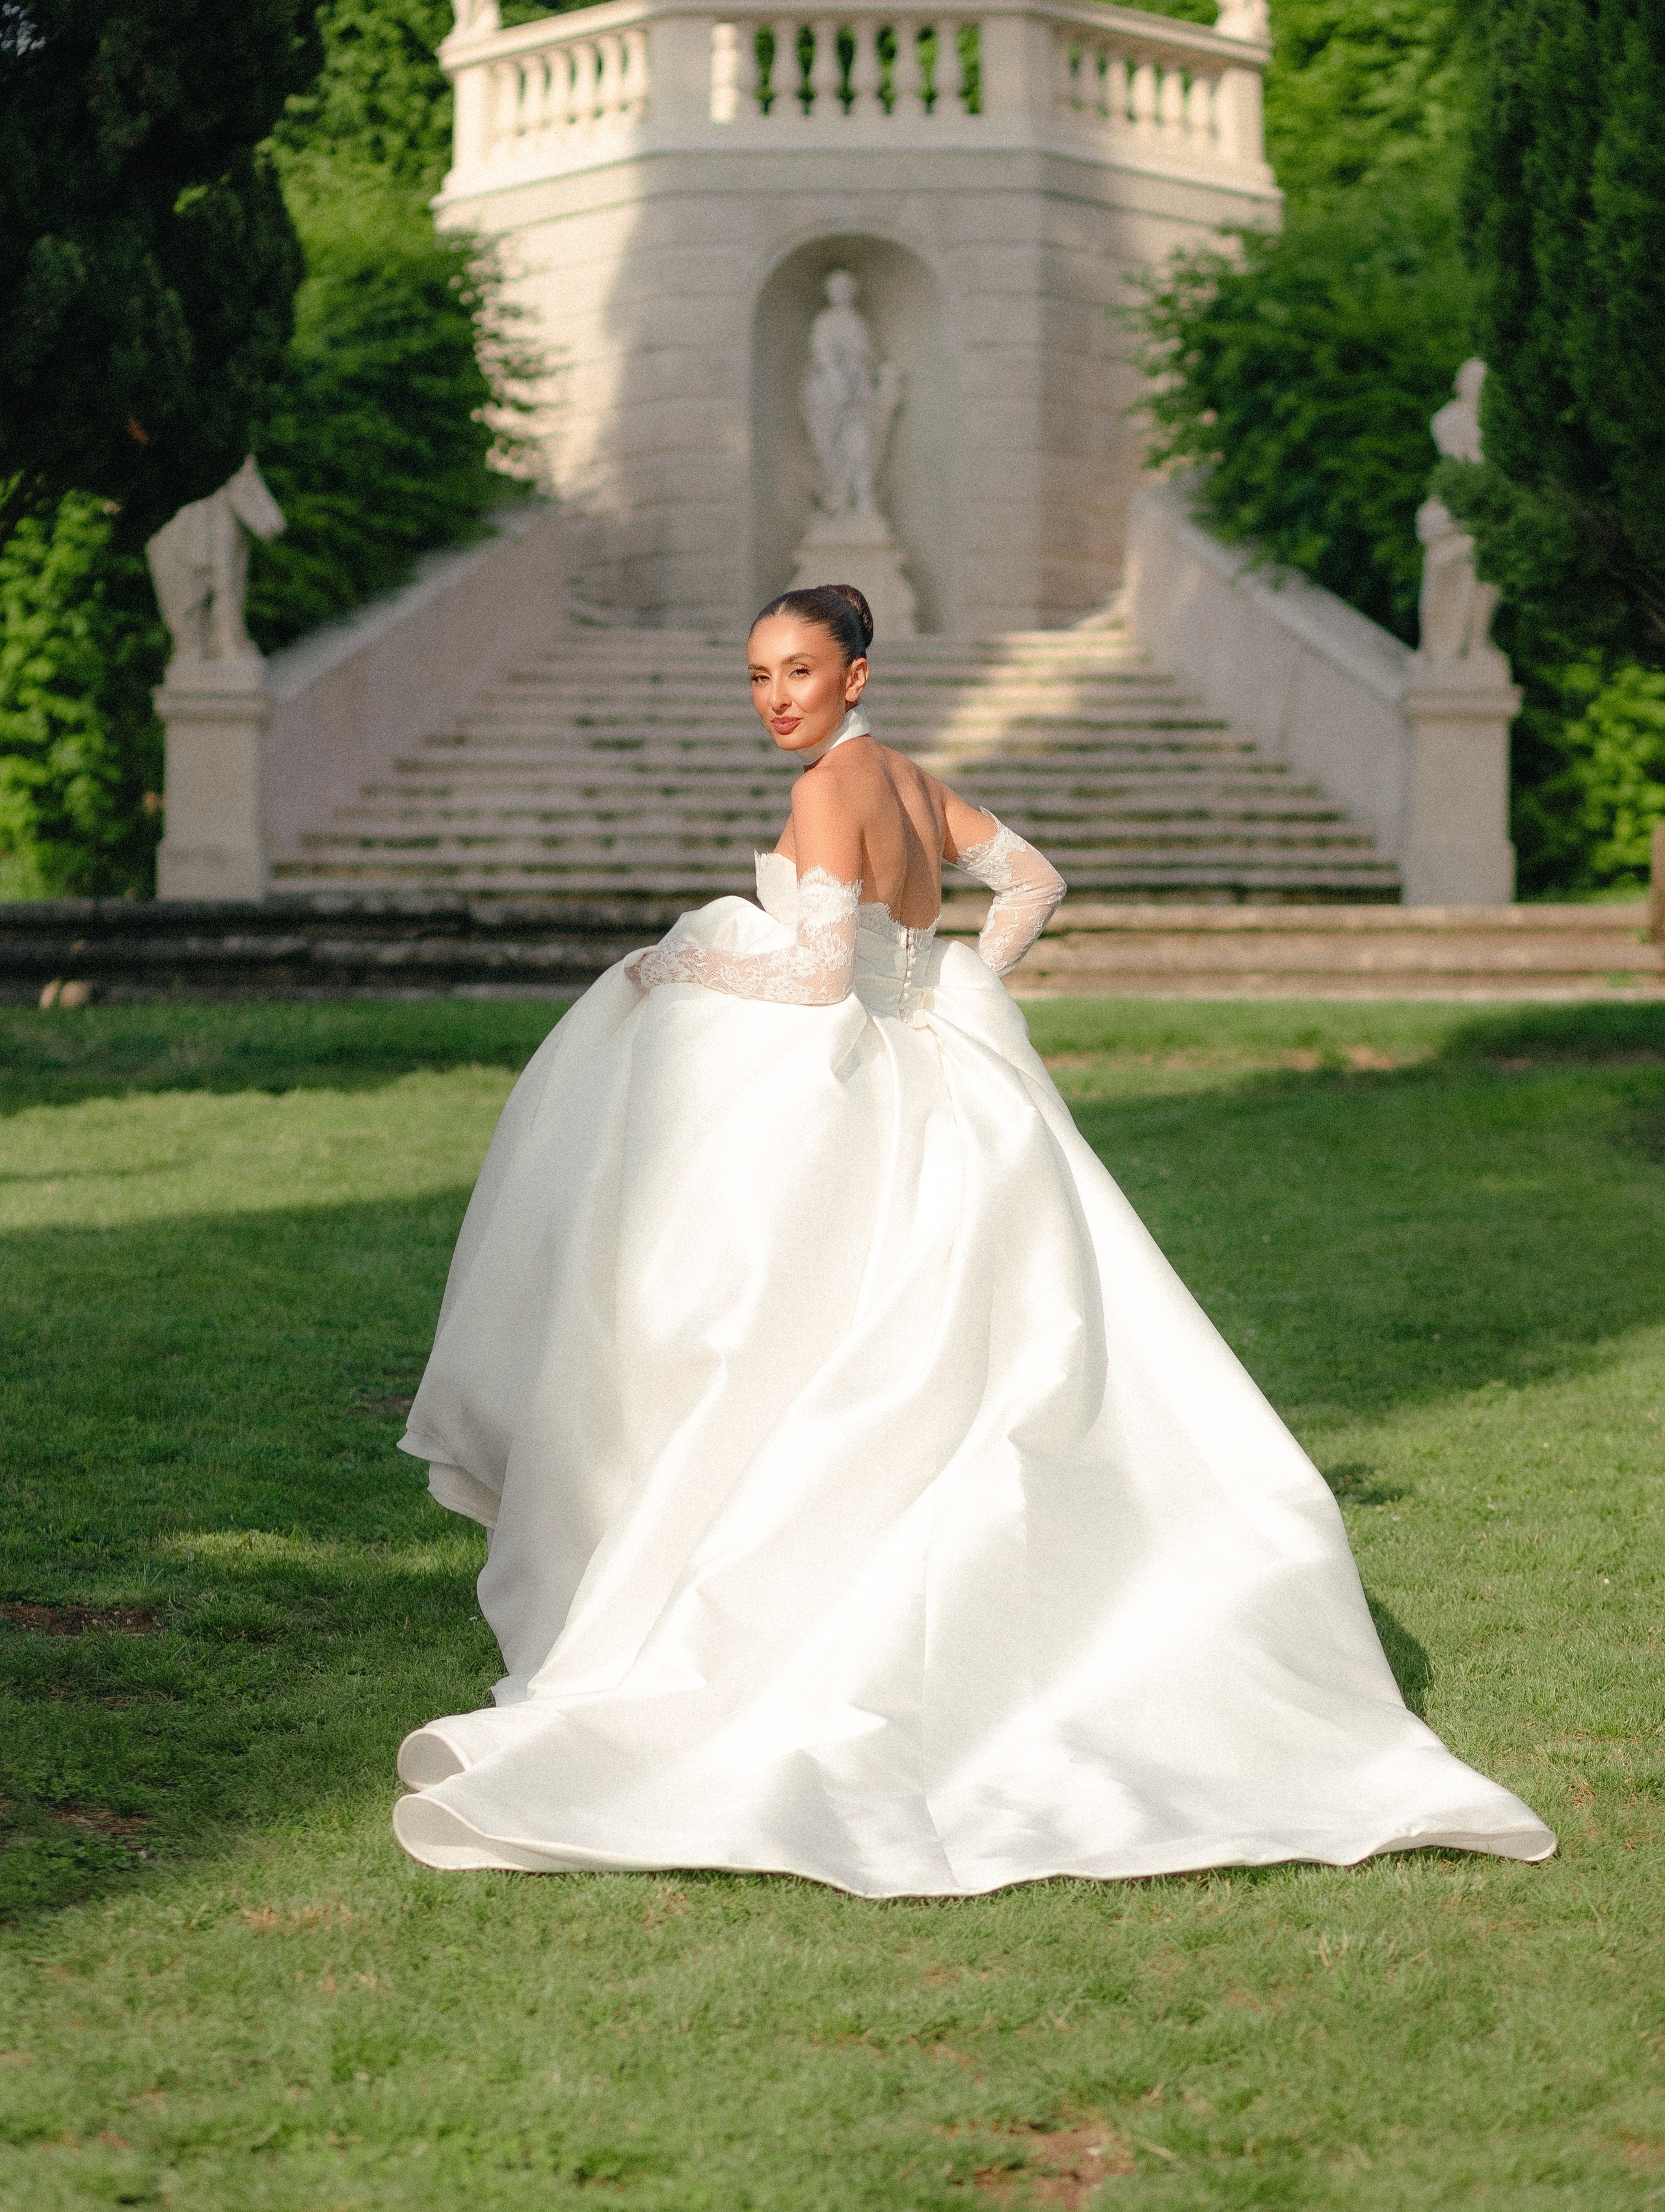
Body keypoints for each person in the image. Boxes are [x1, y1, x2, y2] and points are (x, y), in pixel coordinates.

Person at [392, 583, 1553, 1893]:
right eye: (759, 674)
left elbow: (817, 975)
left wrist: (674, 967)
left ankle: (765, 1610)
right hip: (929, 1074)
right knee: (935, 1348)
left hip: (849, 1090)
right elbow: (1033, 881)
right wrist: (954, 982)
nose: (777, 696)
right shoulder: (914, 784)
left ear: (855, 674)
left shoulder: (828, 791)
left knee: (778, 1334)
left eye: (799, 672)